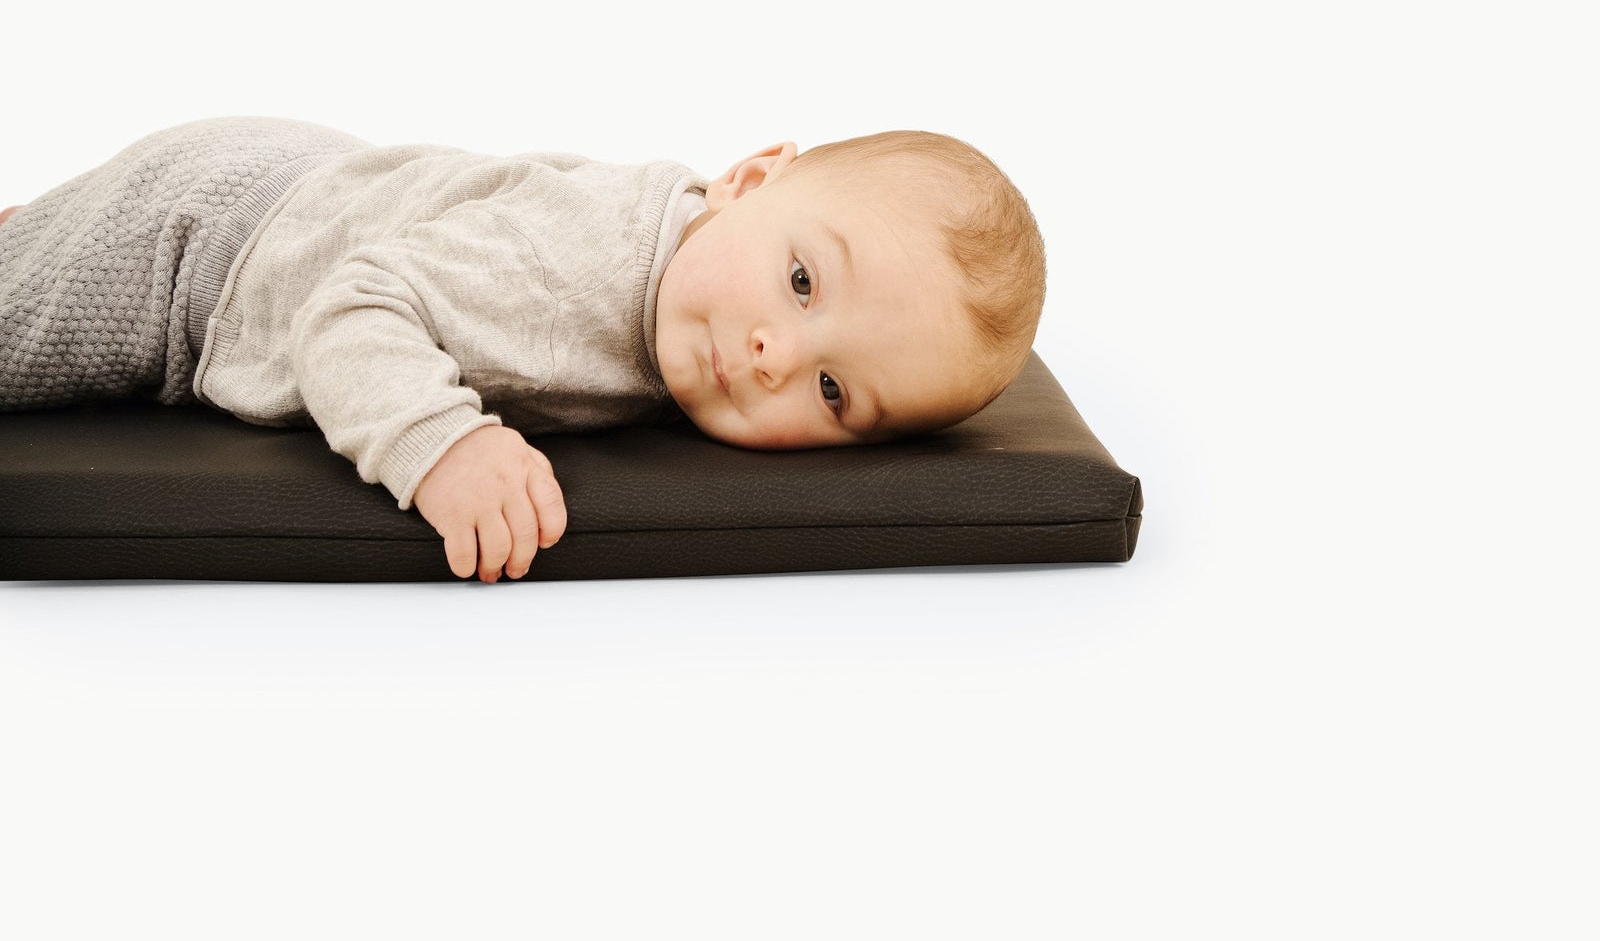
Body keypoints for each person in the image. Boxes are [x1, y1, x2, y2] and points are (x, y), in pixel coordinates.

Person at [0, 116, 1047, 582]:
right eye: (804, 280)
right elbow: (346, 305)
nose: (774, 354)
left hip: (319, 187)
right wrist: (442, 444)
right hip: (200, 246)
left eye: (832, 390)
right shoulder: (569, 270)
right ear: (751, 175)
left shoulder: (692, 274)